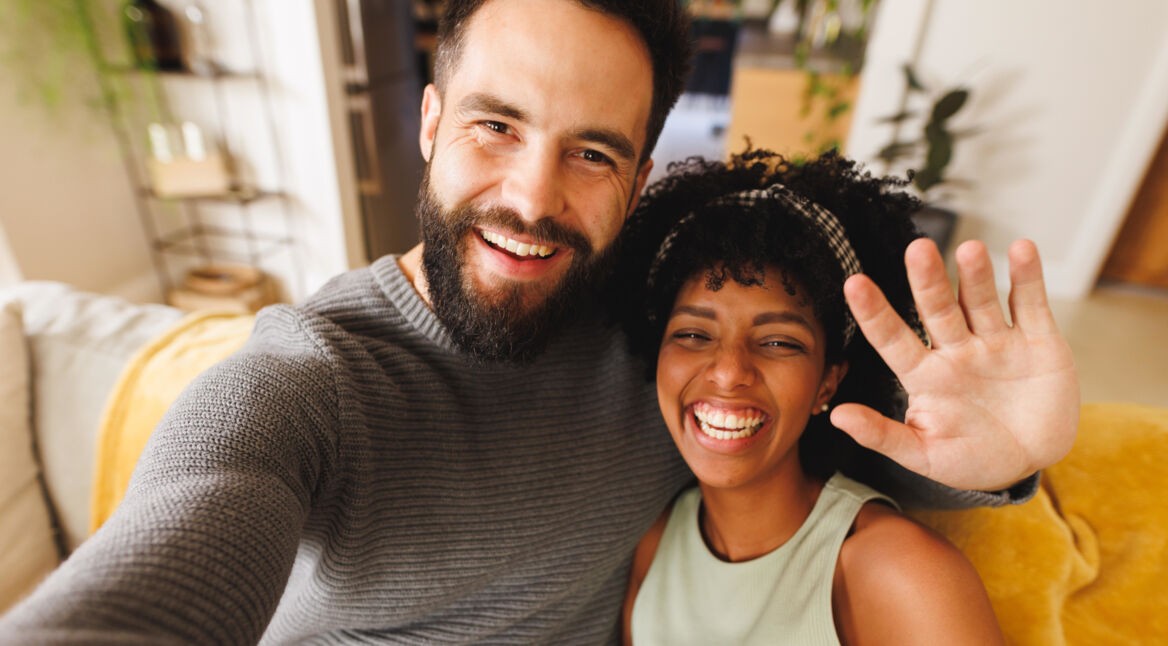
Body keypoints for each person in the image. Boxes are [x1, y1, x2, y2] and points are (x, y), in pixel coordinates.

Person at [0, 0, 1078, 643]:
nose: (531, 195)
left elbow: (808, 447)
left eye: (592, 152)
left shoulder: (661, 337)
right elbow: (166, 556)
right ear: (429, 122)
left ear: (640, 175)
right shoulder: (306, 380)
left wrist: (993, 470)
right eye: (493, 125)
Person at [614, 150, 1005, 645]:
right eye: (693, 335)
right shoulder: (656, 545)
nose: (730, 372)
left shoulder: (900, 570)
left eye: (779, 342)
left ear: (828, 382)